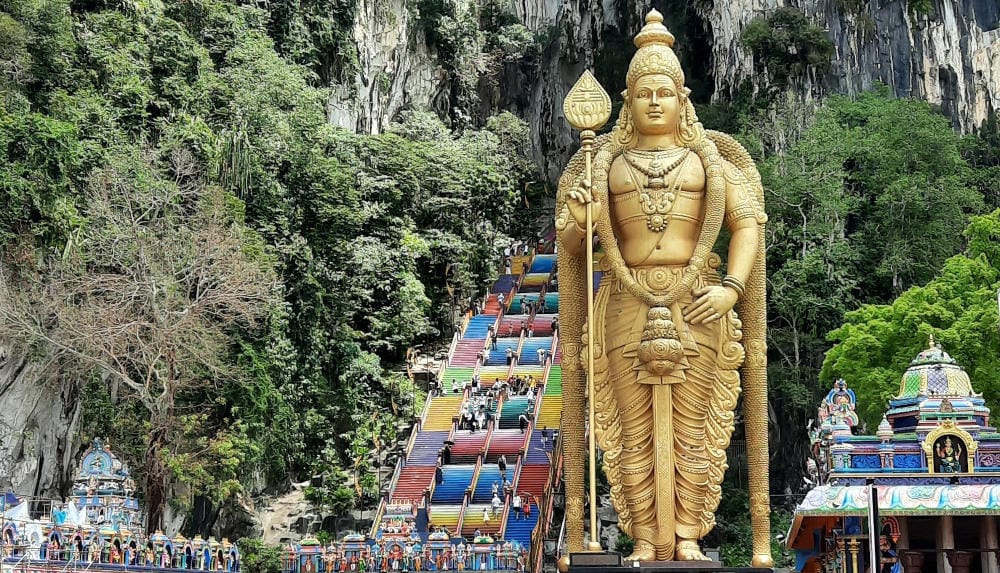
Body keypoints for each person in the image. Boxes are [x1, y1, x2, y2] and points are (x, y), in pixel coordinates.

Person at [554, 9, 768, 563]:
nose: (654, 101)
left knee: (696, 428)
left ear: (682, 99)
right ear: (627, 101)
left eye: (664, 92)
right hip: (625, 302)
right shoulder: (603, 162)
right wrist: (582, 218)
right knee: (631, 429)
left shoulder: (710, 162)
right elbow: (574, 247)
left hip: (697, 298)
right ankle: (646, 538)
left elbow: (746, 225)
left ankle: (690, 535)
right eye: (643, 92)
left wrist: (732, 286)